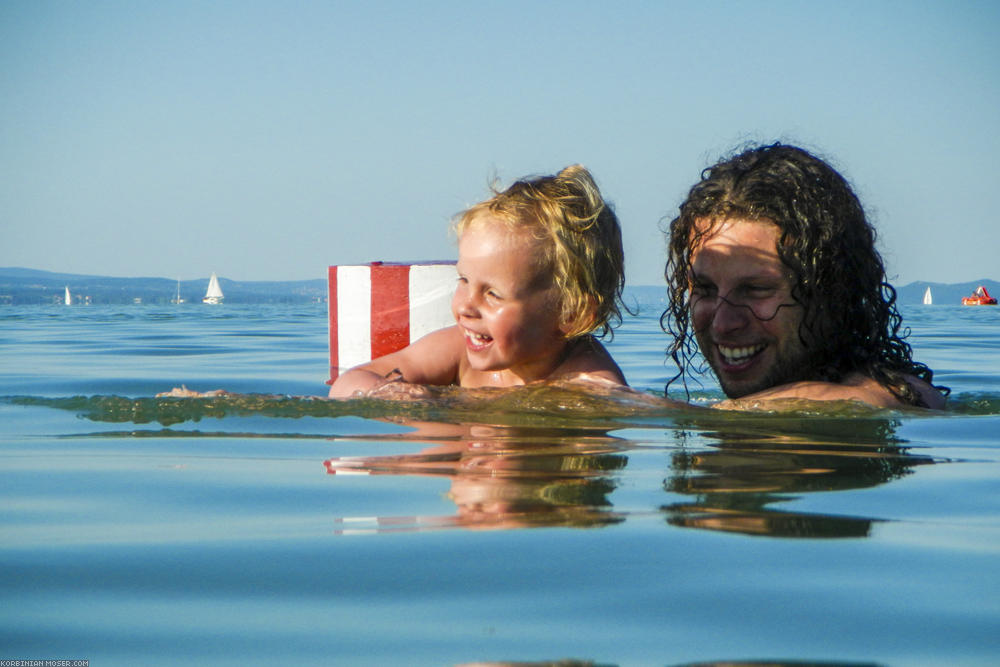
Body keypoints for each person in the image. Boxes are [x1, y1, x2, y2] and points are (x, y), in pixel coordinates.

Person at [661, 143, 947, 409]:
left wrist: (688, 415)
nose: (723, 324)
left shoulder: (899, 394)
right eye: (705, 288)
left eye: (756, 289)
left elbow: (884, 399)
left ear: (832, 290)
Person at [328, 164, 628, 398]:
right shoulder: (458, 349)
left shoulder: (589, 384)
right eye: (463, 280)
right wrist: (393, 396)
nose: (465, 307)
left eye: (493, 294)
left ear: (570, 314)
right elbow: (348, 383)